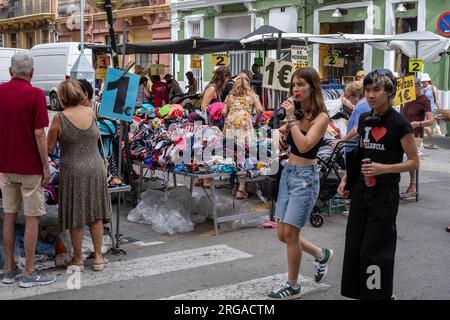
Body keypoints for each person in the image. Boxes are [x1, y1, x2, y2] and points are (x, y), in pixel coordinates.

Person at [337, 69, 419, 300]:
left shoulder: (400, 124)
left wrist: (385, 168)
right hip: (362, 190)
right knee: (355, 247)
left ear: (389, 92)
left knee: (375, 251)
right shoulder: (365, 118)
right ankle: (361, 293)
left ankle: (379, 295)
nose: (371, 95)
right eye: (368, 90)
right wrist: (346, 179)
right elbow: (361, 150)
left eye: (377, 89)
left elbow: (414, 161)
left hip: (384, 194)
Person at [267, 67, 332, 300]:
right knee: (282, 234)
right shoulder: (299, 113)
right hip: (288, 173)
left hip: (305, 178)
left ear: (312, 87)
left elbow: (305, 145)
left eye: (301, 84)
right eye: (294, 84)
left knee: (292, 236)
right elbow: (280, 130)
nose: (296, 88)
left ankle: (293, 285)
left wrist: (291, 119)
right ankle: (320, 254)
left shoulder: (321, 117)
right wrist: (278, 132)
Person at [0, 52, 56, 287]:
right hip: (30, 167)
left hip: (6, 166)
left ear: (11, 72)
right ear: (32, 73)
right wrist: (46, 165)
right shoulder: (35, 95)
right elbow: (39, 133)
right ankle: (30, 272)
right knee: (33, 218)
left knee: (9, 216)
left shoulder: (0, 91)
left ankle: (10, 268)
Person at [47, 80, 111, 272]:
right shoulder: (90, 112)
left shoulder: (59, 117)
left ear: (62, 97)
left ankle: (77, 259)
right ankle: (99, 257)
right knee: (96, 214)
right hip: (95, 168)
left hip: (72, 170)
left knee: (77, 216)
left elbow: (49, 148)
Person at [222, 73, 263, 199]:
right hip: (245, 124)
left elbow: (223, 112)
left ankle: (233, 186)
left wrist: (231, 119)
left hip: (230, 123)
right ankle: (241, 188)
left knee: (231, 153)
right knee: (245, 154)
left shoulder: (230, 96)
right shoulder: (253, 96)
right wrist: (256, 123)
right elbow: (260, 111)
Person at [196, 66, 229, 188]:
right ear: (223, 77)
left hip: (214, 124)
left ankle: (203, 179)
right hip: (210, 125)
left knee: (209, 151)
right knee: (209, 151)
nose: (227, 81)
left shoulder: (216, 89)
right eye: (226, 78)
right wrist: (217, 108)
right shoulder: (211, 88)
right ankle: (207, 180)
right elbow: (203, 107)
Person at [401, 77, 433, 196]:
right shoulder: (408, 98)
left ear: (416, 87)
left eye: (409, 88)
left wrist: (418, 123)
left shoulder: (424, 100)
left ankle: (413, 184)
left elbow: (431, 120)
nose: (407, 90)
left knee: (412, 159)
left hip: (415, 135)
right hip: (404, 133)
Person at [331, 81, 370, 159]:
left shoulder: (360, 107)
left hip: (354, 148)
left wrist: (341, 141)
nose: (348, 100)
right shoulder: (366, 104)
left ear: (355, 96)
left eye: (348, 97)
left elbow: (356, 130)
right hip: (359, 146)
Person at [420, 72, 444, 146]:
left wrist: (440, 110)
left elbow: (437, 100)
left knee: (426, 126)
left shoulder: (433, 88)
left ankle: (429, 141)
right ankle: (421, 142)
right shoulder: (420, 88)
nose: (424, 82)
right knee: (421, 125)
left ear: (428, 80)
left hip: (430, 109)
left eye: (425, 81)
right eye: (422, 81)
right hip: (421, 109)